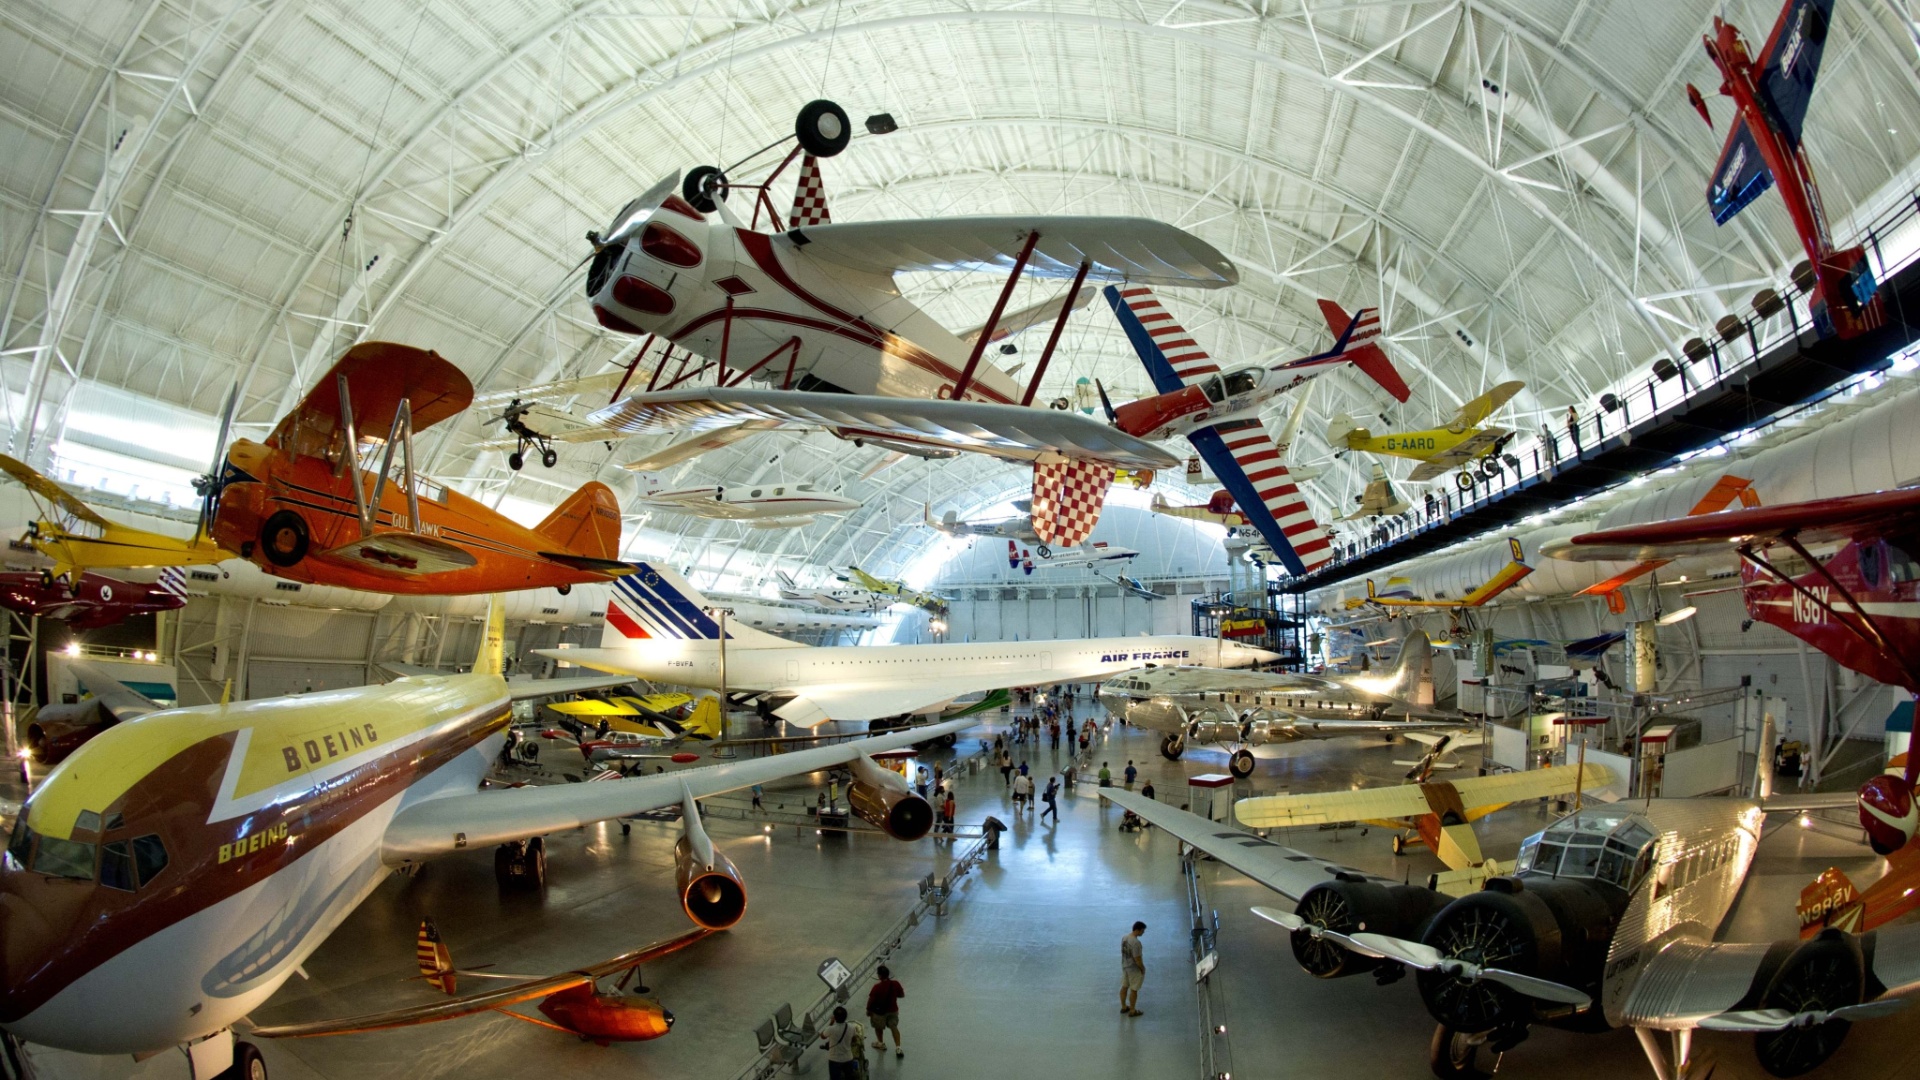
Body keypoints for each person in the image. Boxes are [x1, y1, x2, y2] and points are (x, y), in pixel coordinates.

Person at [866, 965, 906, 1058]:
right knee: (894, 1027)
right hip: (893, 1010)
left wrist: (868, 1010)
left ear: (879, 976)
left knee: (878, 1027)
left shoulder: (876, 987)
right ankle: (898, 1047)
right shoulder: (895, 984)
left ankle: (881, 1043)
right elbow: (902, 995)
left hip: (879, 1012)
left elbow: (871, 1000)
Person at [819, 1005, 865, 1079]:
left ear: (835, 1017)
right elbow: (854, 1040)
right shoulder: (852, 1027)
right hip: (848, 1058)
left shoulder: (831, 1029)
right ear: (846, 1016)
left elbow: (822, 1036)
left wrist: (831, 1022)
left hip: (834, 1059)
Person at [1120, 921, 1146, 1016]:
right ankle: (1132, 1010)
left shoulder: (1124, 938)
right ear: (1137, 930)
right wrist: (1142, 968)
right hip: (1133, 969)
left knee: (1124, 987)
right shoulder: (1136, 943)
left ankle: (1123, 1007)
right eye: (1142, 931)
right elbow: (1137, 959)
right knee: (1134, 989)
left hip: (1125, 966)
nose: (1143, 933)